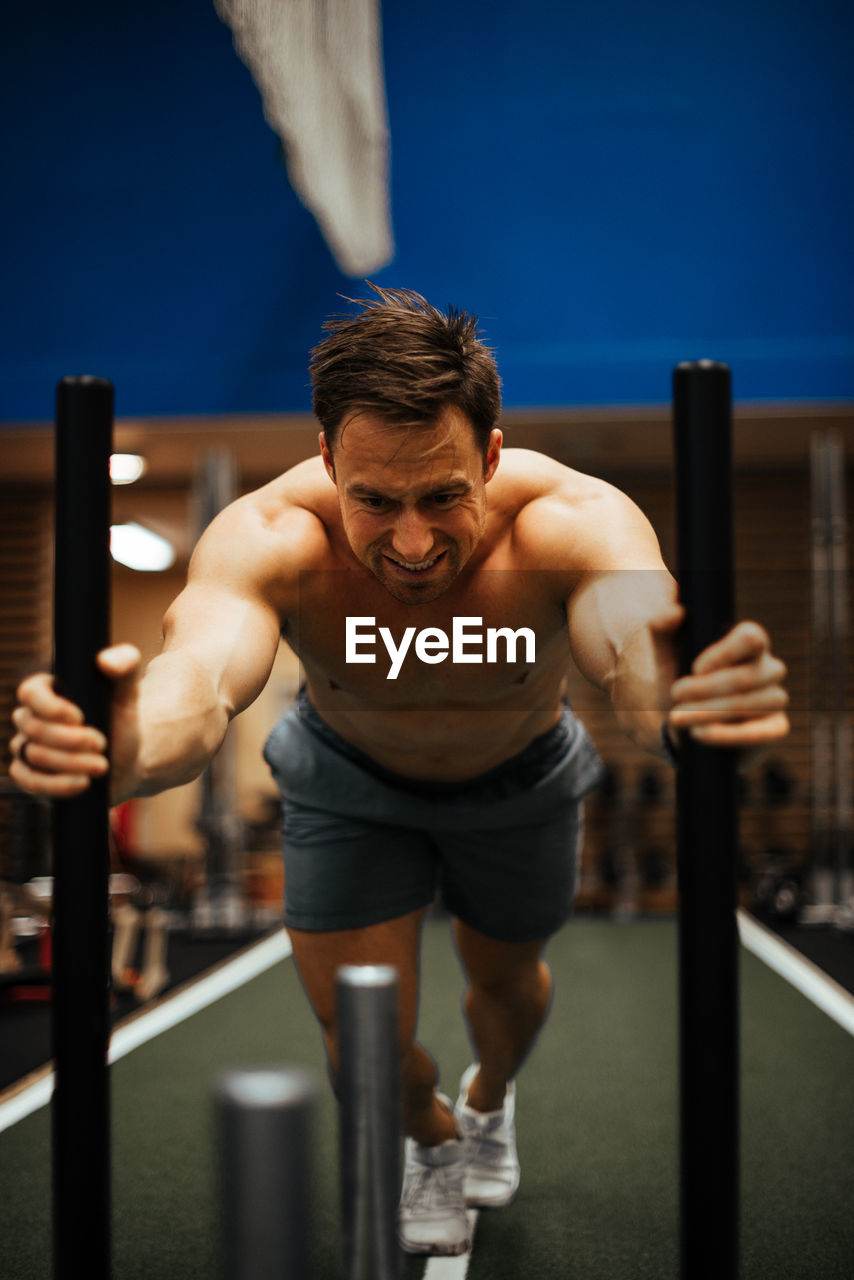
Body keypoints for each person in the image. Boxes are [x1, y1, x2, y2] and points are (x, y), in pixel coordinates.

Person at [9, 286, 789, 1257]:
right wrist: (124, 743)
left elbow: (631, 635)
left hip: (519, 775)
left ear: (490, 457)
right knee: (361, 1038)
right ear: (329, 459)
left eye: (441, 496)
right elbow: (201, 679)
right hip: (349, 782)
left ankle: (488, 1096)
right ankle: (432, 1139)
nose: (411, 544)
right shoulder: (272, 537)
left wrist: (680, 696)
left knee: (506, 989)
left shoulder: (570, 520)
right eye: (374, 500)